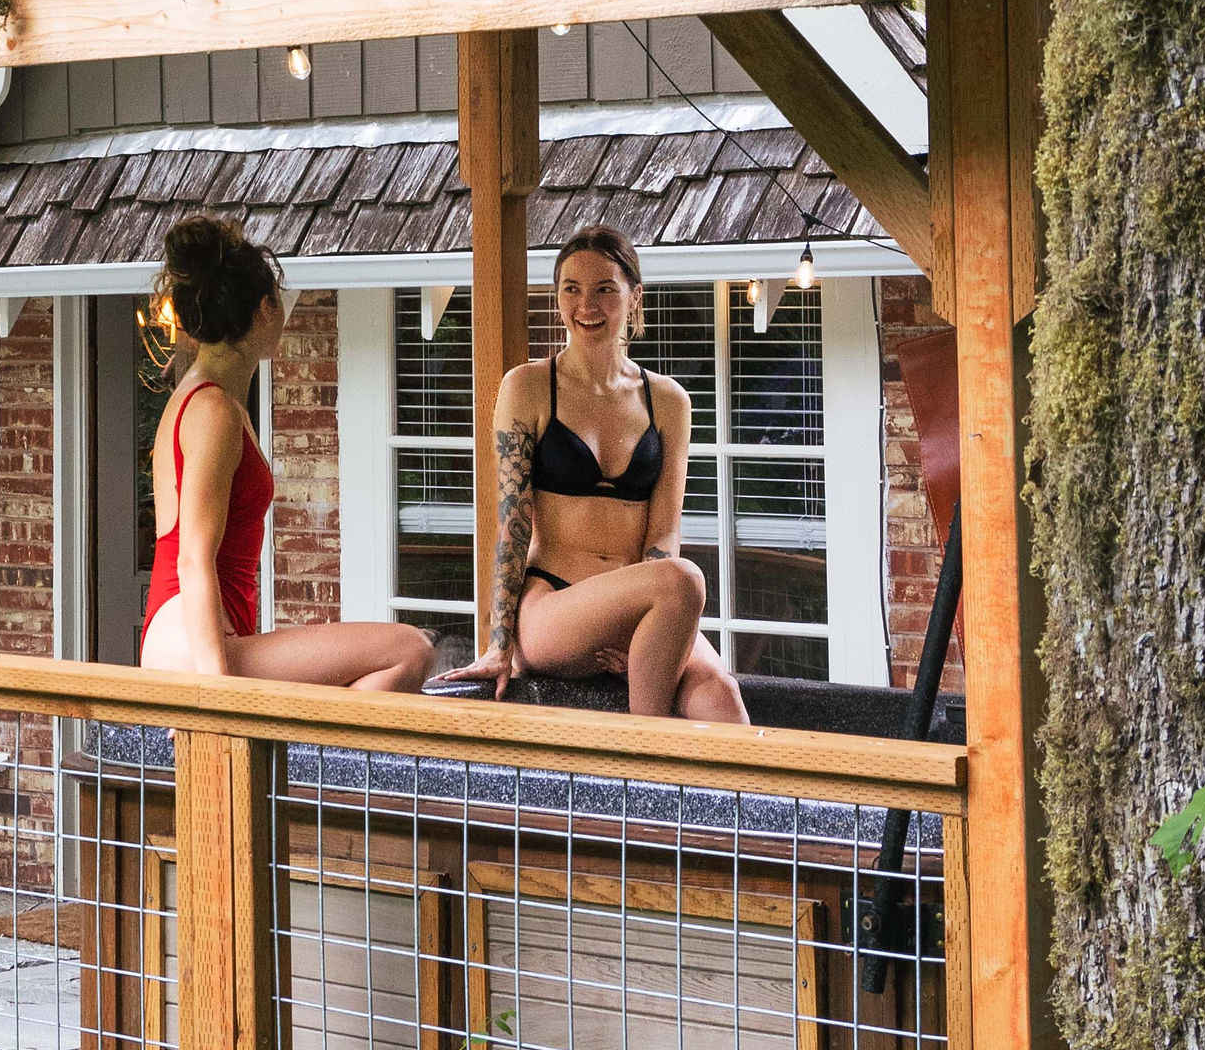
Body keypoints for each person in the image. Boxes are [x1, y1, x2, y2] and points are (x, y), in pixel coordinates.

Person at [468, 220, 749, 723]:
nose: (586, 306)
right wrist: (497, 643)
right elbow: (512, 526)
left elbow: (663, 530)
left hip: (641, 600)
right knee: (683, 579)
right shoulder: (528, 387)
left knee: (718, 694)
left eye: (604, 290)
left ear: (634, 297)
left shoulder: (668, 402)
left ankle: (748, 803)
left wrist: (646, 631)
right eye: (571, 289)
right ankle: (645, 769)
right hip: (553, 603)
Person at [139, 215, 435, 694]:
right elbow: (193, 556)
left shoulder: (212, 399)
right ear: (263, 309)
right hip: (190, 644)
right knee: (409, 649)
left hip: (200, 636)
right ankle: (326, 765)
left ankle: (316, 765)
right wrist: (219, 695)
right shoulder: (212, 408)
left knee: (387, 662)